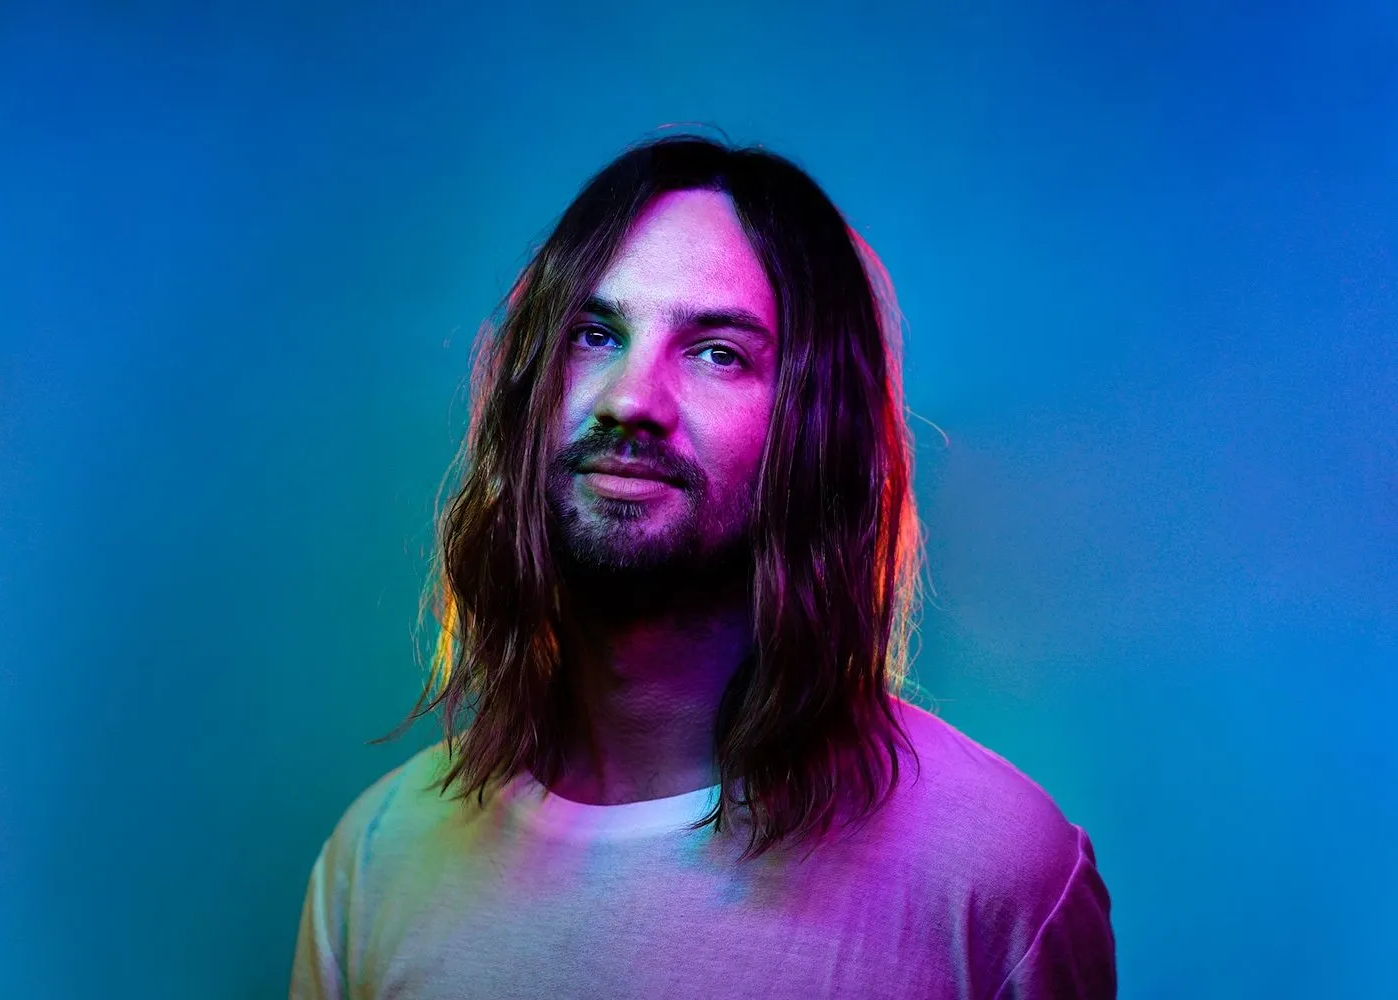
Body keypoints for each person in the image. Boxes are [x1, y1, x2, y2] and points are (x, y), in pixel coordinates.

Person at [288, 133, 1117, 999]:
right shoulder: (376, 861)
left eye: (718, 352)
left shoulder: (996, 876)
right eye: (594, 335)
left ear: (814, 432)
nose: (629, 399)